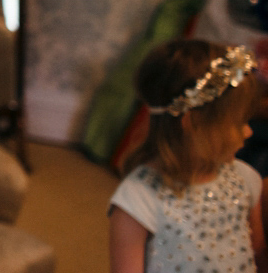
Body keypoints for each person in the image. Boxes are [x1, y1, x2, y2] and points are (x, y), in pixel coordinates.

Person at [109, 40, 266, 272]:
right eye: (238, 122)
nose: (248, 131)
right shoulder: (138, 200)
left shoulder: (245, 179)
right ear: (194, 123)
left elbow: (256, 253)